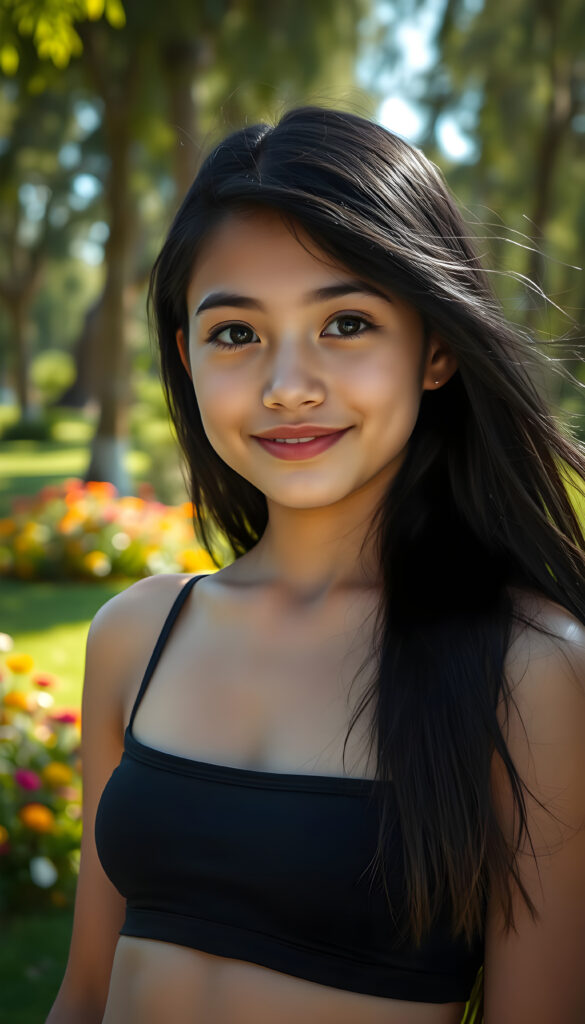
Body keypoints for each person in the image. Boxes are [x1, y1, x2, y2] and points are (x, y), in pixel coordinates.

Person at [46, 106, 585, 1024]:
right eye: (235, 333)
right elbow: (86, 990)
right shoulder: (135, 635)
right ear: (185, 355)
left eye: (344, 322)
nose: (286, 383)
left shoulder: (530, 670)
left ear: (436, 347)